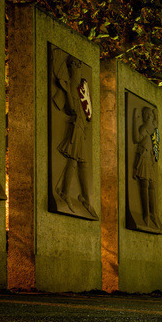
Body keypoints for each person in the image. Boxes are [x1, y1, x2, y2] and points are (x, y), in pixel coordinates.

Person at [52, 56, 96, 218]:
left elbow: (86, 108)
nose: (77, 70)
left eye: (78, 67)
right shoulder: (71, 84)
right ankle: (65, 192)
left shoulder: (80, 86)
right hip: (76, 127)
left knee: (81, 162)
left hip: (81, 127)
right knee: (73, 160)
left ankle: (84, 197)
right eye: (75, 67)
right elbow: (71, 106)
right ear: (71, 69)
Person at [132, 105, 162, 229]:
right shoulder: (144, 128)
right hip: (143, 158)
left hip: (150, 159)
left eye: (150, 115)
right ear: (144, 117)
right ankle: (145, 214)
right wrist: (134, 121)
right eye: (147, 115)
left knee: (152, 187)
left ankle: (153, 213)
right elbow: (136, 138)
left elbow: (156, 145)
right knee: (144, 185)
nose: (149, 117)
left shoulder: (154, 129)